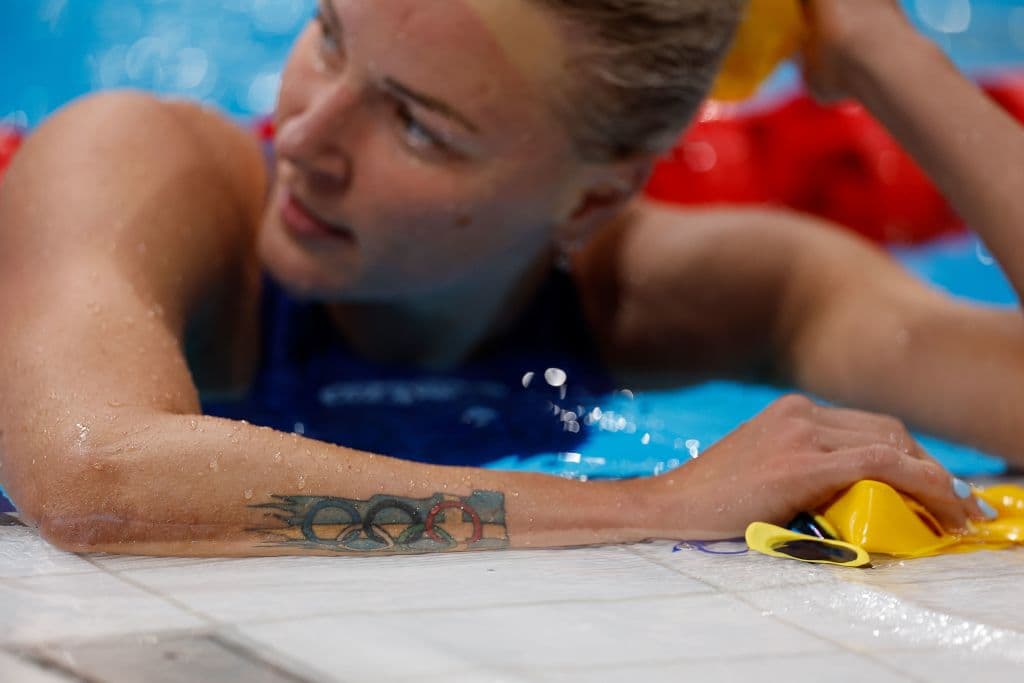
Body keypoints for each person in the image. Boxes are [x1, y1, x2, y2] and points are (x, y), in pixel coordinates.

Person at [0, 0, 1021, 557]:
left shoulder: (678, 291)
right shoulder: (137, 170)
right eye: (327, 33)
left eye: (413, 121)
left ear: (588, 201)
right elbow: (94, 476)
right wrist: (654, 504)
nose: (303, 131)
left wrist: (882, 50)